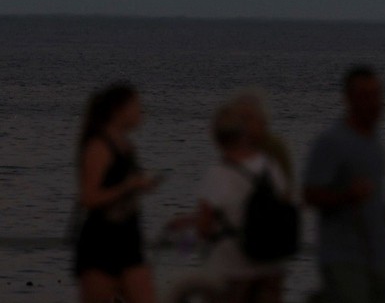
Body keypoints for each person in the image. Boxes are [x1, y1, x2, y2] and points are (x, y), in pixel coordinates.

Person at [169, 92, 292, 303]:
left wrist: (185, 242)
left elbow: (205, 227)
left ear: (216, 138)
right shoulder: (269, 166)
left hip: (232, 268)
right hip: (269, 266)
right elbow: (284, 204)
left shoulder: (218, 174)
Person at [303, 66, 385, 303]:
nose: (375, 103)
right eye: (366, 96)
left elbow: (372, 196)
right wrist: (347, 197)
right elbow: (310, 195)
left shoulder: (374, 143)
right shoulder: (331, 142)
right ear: (348, 99)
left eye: (378, 95)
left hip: (377, 256)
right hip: (343, 258)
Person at [74, 82, 158, 303]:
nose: (141, 112)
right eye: (136, 106)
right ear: (118, 111)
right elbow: (89, 198)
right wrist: (128, 187)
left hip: (129, 236)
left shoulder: (127, 146)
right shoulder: (99, 146)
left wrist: (140, 186)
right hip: (101, 241)